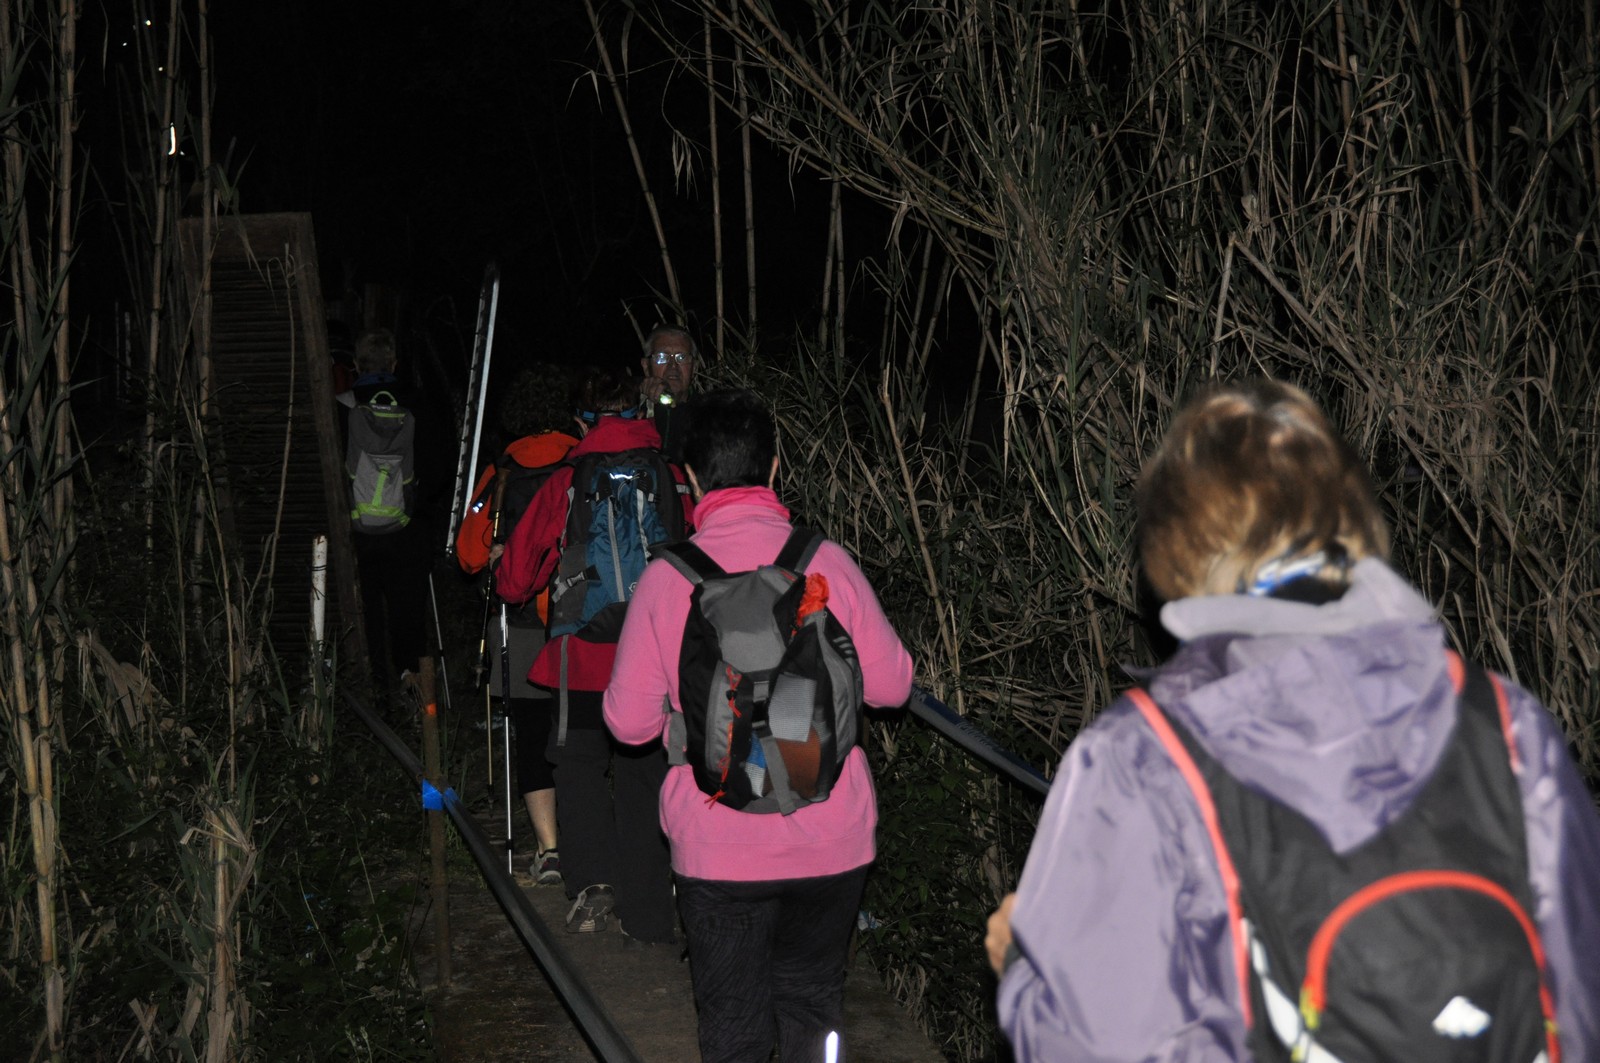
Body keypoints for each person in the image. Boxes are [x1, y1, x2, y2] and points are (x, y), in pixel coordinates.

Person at [986, 379, 1600, 1060]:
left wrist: (1027, 967)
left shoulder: (1142, 759)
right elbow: (1581, 999)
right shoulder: (1509, 727)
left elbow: (1096, 1043)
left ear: (1177, 551)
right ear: (1354, 524)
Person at [605, 388, 914, 1063]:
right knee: (814, 1006)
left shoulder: (667, 580)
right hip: (831, 838)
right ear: (775, 468)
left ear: (690, 480)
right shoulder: (825, 560)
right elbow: (894, 686)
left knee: (733, 1026)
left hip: (718, 845)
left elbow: (627, 727)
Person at [495, 367, 691, 943]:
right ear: (642, 414)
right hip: (656, 652)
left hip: (581, 650)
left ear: (582, 421)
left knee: (579, 764)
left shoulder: (567, 480)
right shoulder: (674, 476)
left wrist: (520, 582)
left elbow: (515, 579)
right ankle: (649, 910)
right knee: (645, 769)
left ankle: (594, 883)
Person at [456, 364, 579, 885]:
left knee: (531, 734)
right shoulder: (586, 462)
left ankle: (550, 849)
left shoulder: (501, 473)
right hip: (582, 621)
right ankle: (590, 839)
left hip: (521, 622)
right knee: (582, 734)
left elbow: (468, 553)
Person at [345, 327, 443, 698]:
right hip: (409, 528)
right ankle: (414, 694)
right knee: (408, 614)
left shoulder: (343, 406)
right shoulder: (418, 405)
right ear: (395, 364)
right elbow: (436, 470)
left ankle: (374, 693)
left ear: (356, 367)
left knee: (366, 612)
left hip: (358, 530)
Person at [637, 324, 698, 462]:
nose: (673, 366)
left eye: (682, 358)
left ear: (694, 367)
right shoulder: (629, 410)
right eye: (661, 357)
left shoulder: (710, 415)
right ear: (646, 366)